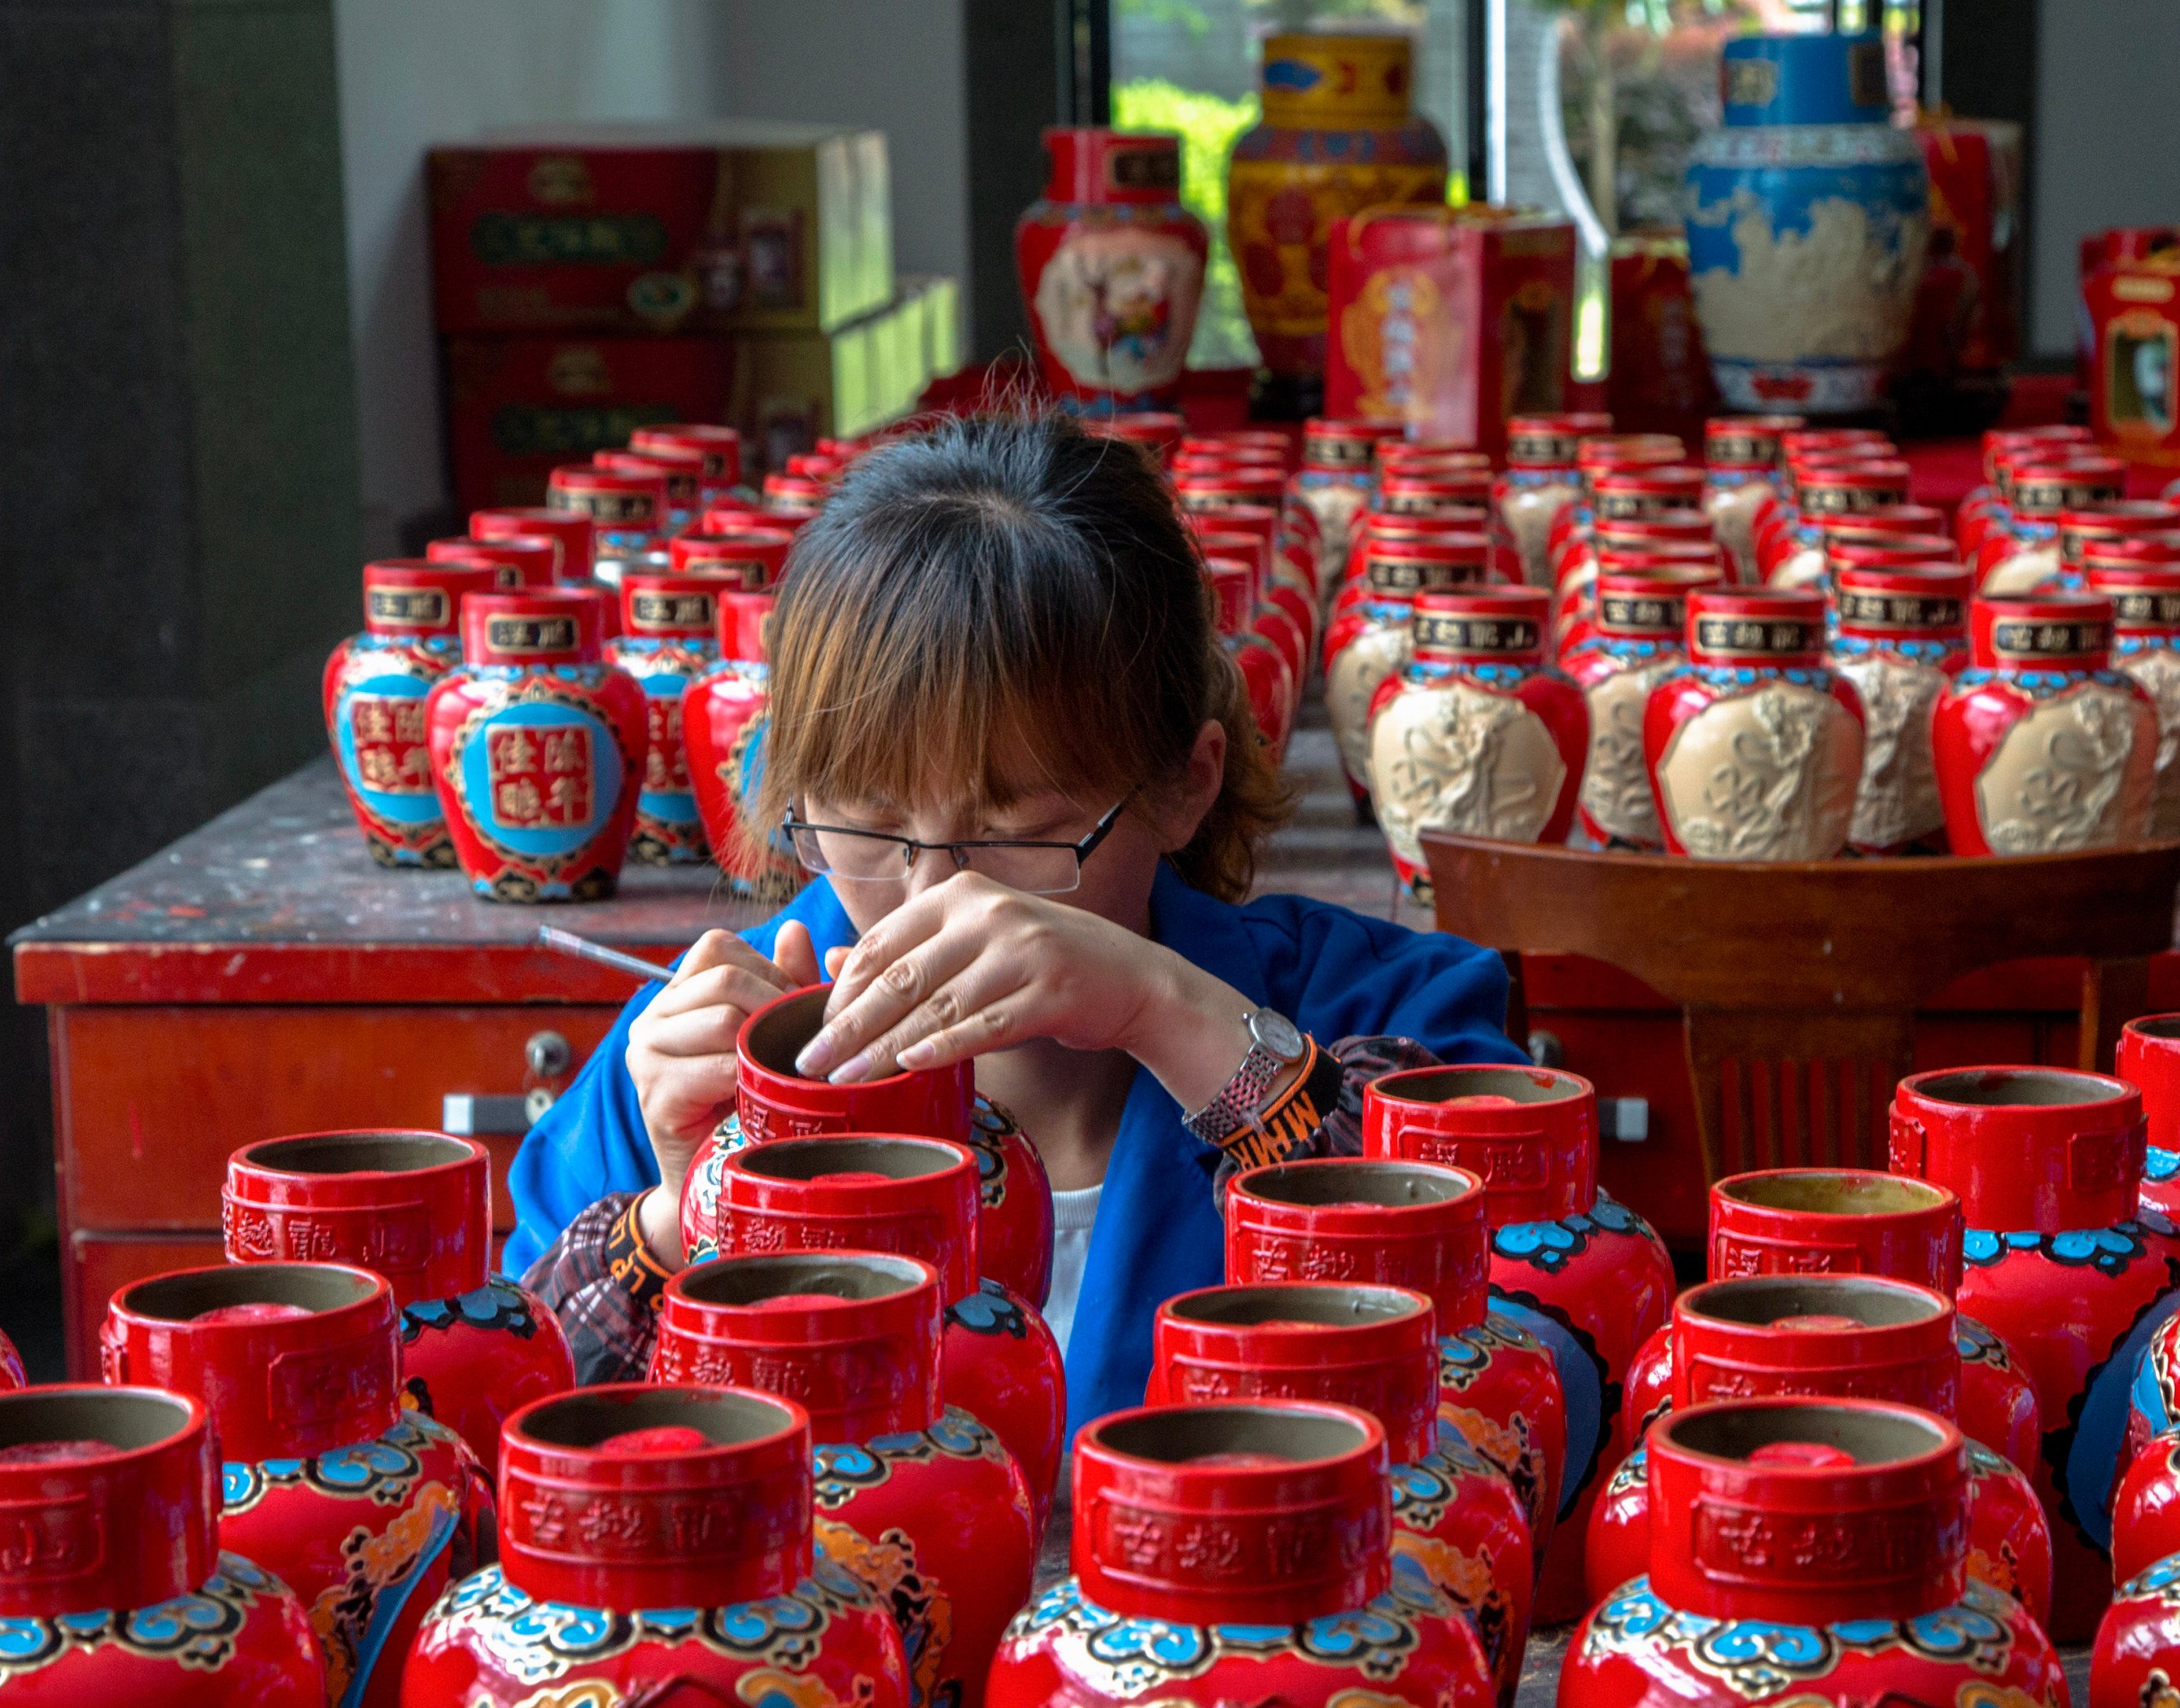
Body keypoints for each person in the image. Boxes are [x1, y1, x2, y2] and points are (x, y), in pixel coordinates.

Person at [509, 410, 1521, 1435]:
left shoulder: (1387, 1009)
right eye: (865, 827)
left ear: (1185, 785)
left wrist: (1164, 1011)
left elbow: (1516, 1378)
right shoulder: (685, 1064)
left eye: (1022, 833)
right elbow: (502, 1439)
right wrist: (684, 1219)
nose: (938, 898)